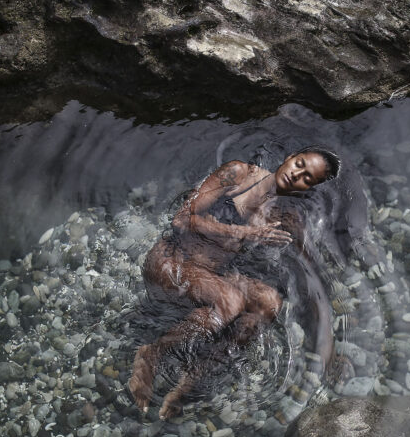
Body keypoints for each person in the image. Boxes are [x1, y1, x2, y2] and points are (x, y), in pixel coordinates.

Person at [129, 147, 342, 419]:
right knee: (230, 300)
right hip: (170, 263)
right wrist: (244, 232)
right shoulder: (239, 174)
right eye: (299, 164)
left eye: (306, 178)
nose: (296, 174)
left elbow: (310, 275)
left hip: (208, 277)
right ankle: (151, 354)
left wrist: (326, 342)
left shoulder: (286, 217)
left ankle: (190, 380)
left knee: (269, 302)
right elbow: (181, 219)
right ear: (289, 157)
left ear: (309, 188)